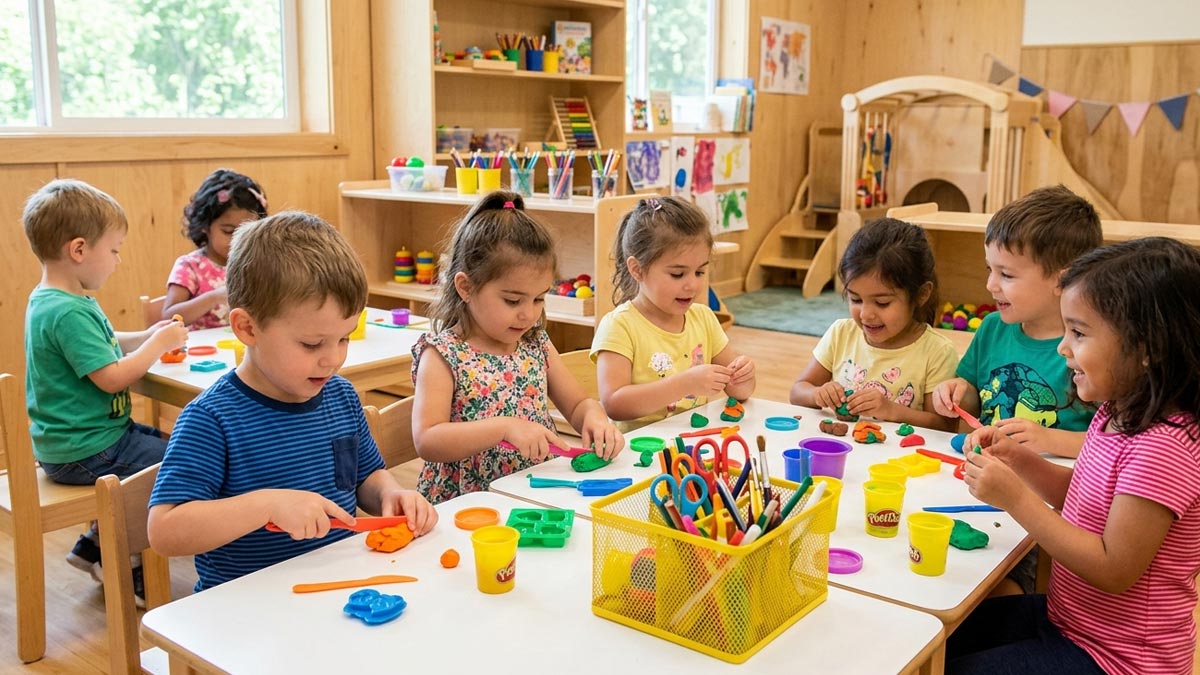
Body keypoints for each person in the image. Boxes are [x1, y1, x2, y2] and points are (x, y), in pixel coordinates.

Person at [147, 212, 437, 591]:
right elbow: (165, 531)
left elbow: (365, 477)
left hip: (335, 588)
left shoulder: (340, 396)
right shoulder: (211, 419)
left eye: (344, 338)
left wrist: (391, 494)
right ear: (247, 328)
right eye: (312, 344)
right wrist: (266, 506)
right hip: (243, 612)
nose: (332, 359)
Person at [949, 237, 1200, 675]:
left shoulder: (1165, 447)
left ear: (1149, 348)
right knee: (943, 639)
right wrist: (1021, 462)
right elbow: (1085, 496)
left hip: (1120, 660)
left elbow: (1113, 567)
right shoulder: (1117, 410)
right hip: (1070, 624)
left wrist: (1017, 500)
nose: (1063, 348)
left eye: (1079, 333)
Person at [22, 179, 188, 587]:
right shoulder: (67, 312)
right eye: (113, 250)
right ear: (78, 250)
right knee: (175, 465)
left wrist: (149, 336)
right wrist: (157, 346)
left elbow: (107, 344)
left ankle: (93, 546)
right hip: (87, 449)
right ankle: (127, 566)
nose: (117, 261)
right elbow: (113, 378)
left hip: (85, 440)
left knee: (177, 442)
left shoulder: (57, 300)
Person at [410, 191, 623, 504]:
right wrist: (503, 428)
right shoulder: (443, 354)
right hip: (467, 506)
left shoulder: (535, 344)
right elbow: (428, 439)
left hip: (531, 494)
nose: (528, 314)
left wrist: (594, 418)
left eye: (538, 298)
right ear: (466, 287)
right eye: (512, 300)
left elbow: (577, 405)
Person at [934, 185, 1102, 458]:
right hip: (986, 473)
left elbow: (1116, 443)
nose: (990, 285)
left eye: (1007, 275)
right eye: (990, 270)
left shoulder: (1092, 347)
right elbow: (977, 401)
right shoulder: (991, 328)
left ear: (1062, 280)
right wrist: (959, 394)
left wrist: (1049, 439)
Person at [592, 196, 755, 431]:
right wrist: (683, 384)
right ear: (637, 269)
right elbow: (614, 404)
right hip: (637, 453)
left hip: (694, 445)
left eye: (699, 272)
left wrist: (743, 376)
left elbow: (740, 392)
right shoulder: (620, 326)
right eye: (678, 274)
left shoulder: (704, 318)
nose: (692, 285)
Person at [790, 218, 957, 431]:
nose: (866, 314)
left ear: (921, 294)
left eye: (882, 303)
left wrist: (892, 411)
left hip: (904, 461)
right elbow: (797, 391)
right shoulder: (842, 333)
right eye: (856, 299)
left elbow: (944, 425)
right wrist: (817, 394)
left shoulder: (937, 351)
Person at [163, 169, 268, 330]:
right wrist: (214, 297)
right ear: (205, 226)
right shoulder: (190, 266)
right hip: (199, 351)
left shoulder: (256, 263)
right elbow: (169, 317)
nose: (237, 240)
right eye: (228, 231)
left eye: (246, 231)